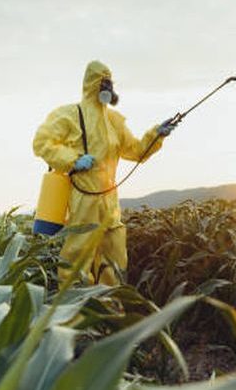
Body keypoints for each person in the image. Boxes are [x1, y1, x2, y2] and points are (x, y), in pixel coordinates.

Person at [32, 60, 176, 285]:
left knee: (115, 262)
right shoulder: (69, 115)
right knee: (77, 261)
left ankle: (110, 313)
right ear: (93, 85)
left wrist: (156, 135)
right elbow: (42, 143)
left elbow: (137, 151)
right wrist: (73, 160)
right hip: (83, 200)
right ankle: (75, 315)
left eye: (109, 83)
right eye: (103, 83)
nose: (108, 89)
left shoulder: (114, 121)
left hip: (110, 204)